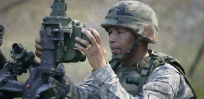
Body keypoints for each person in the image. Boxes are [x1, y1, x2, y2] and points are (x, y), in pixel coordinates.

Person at [35, 1, 196, 99]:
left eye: (119, 32)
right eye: (110, 32)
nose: (111, 38)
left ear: (142, 37)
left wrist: (101, 67)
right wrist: (53, 65)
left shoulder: (165, 74)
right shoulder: (114, 68)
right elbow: (80, 95)